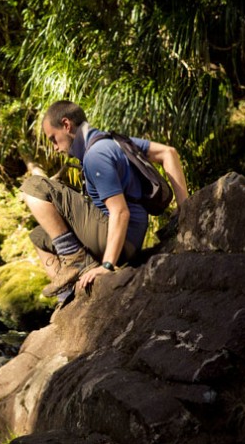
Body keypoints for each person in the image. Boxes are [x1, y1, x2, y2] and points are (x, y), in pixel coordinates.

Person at [21, 100, 189, 301]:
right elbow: (168, 152)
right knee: (39, 236)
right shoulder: (112, 141)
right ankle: (68, 296)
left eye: (53, 139)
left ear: (67, 125)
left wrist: (108, 265)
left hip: (121, 239)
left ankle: (76, 260)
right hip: (128, 239)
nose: (55, 148)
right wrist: (185, 208)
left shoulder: (96, 156)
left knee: (34, 186)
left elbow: (120, 212)